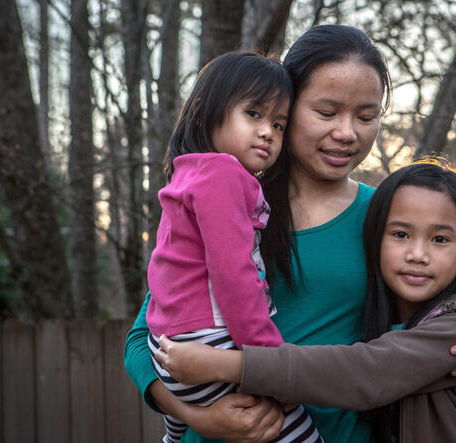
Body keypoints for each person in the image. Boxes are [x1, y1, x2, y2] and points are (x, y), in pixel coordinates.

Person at [125, 24, 456, 442]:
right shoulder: (227, 205)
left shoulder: (389, 217)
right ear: (285, 108)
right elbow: (146, 335)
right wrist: (192, 415)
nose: (347, 133)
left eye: (366, 116)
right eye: (326, 113)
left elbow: (429, 327)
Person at [155, 160, 456, 443]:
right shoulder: (245, 219)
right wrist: (189, 414)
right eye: (400, 235)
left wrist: (229, 364)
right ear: (373, 239)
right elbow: (150, 323)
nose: (418, 254)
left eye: (440, 239)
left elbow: (363, 371)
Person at [145, 51, 322, 443]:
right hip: (209, 341)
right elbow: (234, 276)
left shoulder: (188, 173)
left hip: (166, 344)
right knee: (299, 434)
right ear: (206, 114)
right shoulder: (222, 175)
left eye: (279, 123)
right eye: (254, 114)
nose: (268, 132)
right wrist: (273, 368)